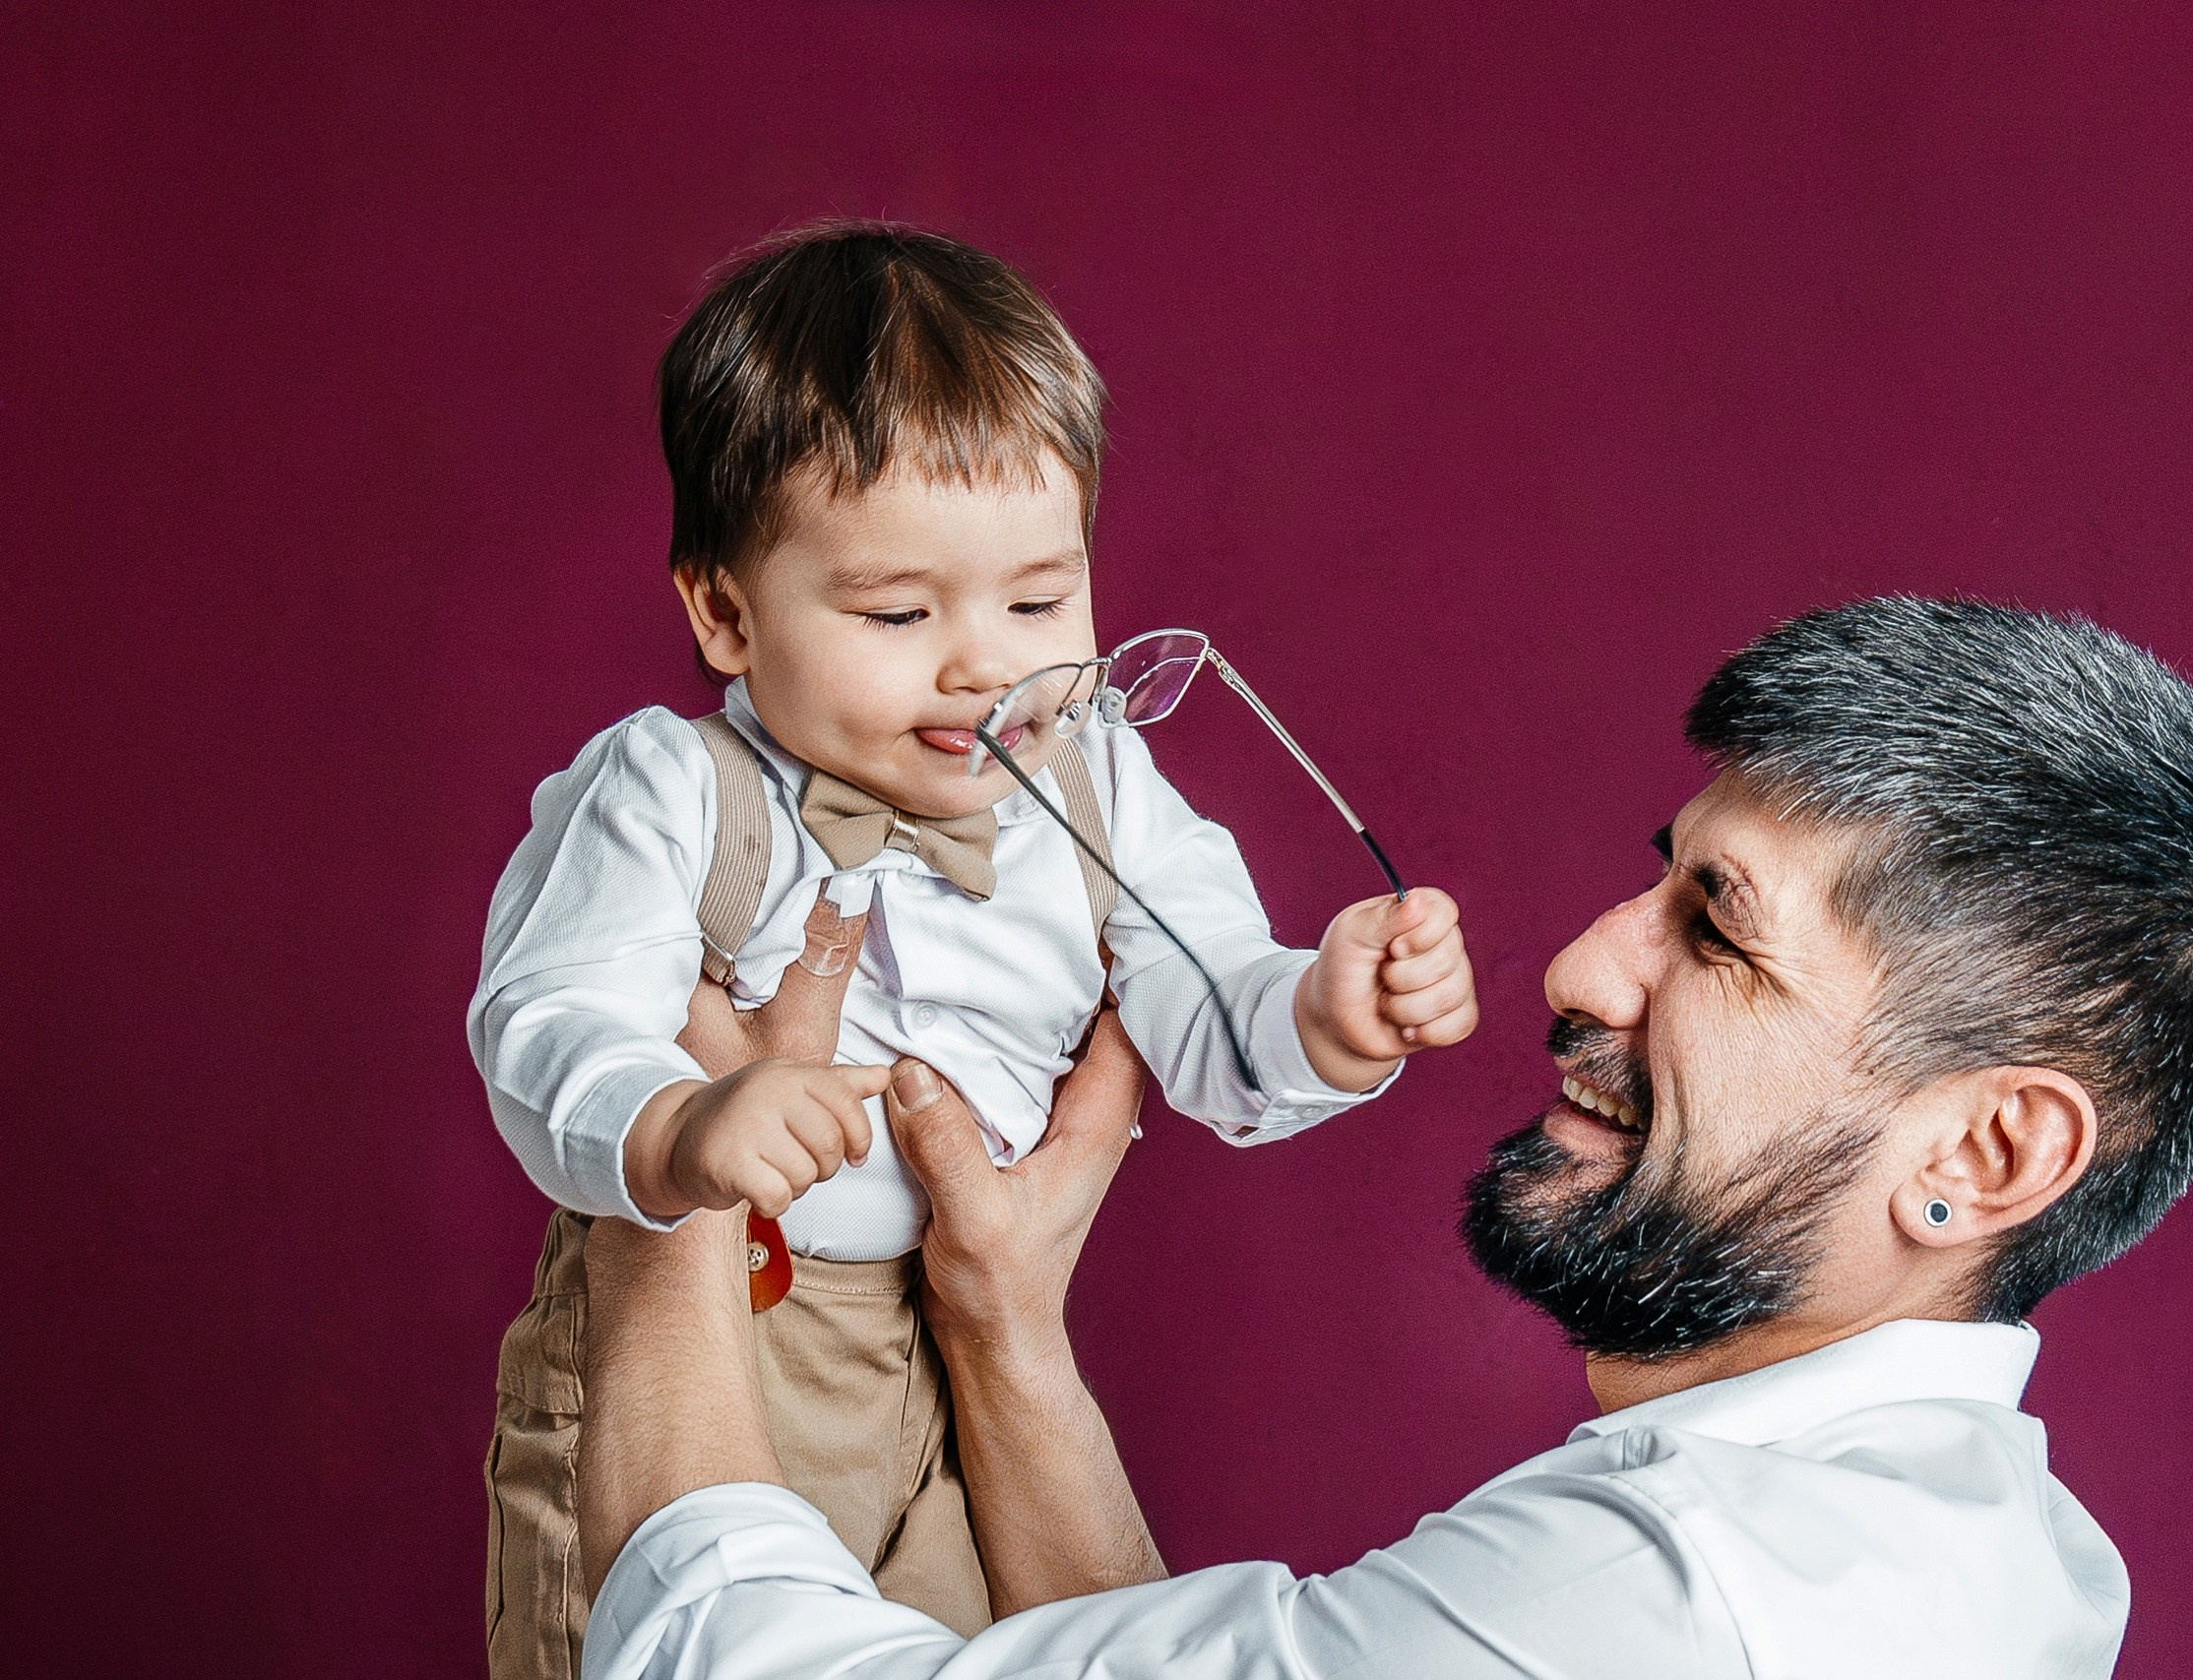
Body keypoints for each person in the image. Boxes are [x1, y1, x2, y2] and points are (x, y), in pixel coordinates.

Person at [569, 597, 2193, 1678]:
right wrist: (1000, 1325)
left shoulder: (1673, 1605)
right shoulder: (1996, 1550)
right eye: (1658, 878)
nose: (1578, 964)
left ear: (1994, 1155)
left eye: (1717, 931)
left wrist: (667, 1172)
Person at [468, 223, 1477, 1678]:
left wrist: (1323, 1010)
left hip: (951, 1349)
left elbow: (1204, 1010)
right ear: (725, 612)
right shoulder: (671, 789)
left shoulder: (1094, 775)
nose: (986, 663)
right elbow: (546, 1019)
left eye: (1038, 598)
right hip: (734, 1328)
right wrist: (680, 1121)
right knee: (650, 1641)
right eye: (898, 612)